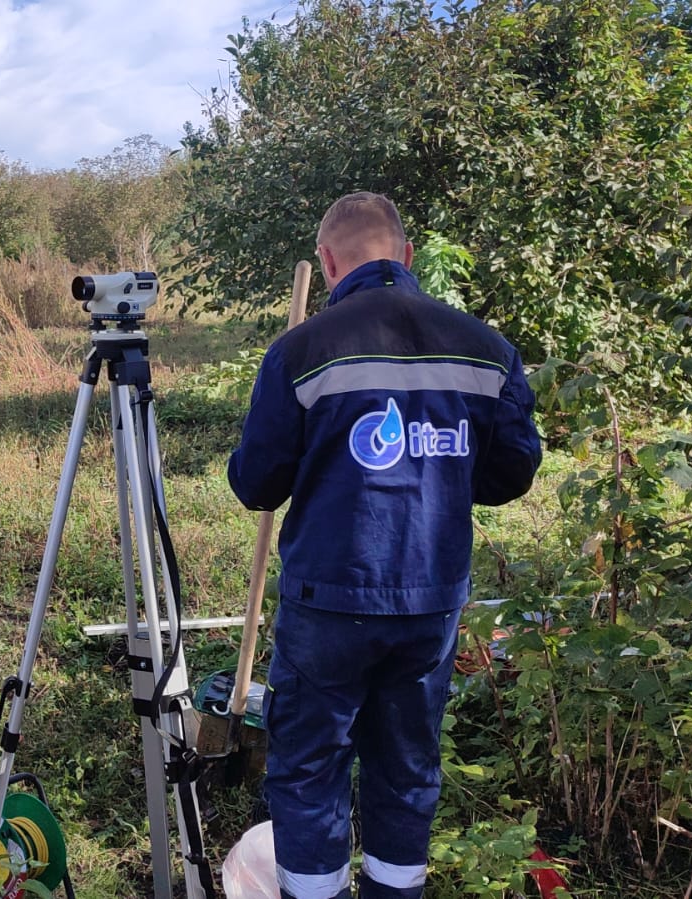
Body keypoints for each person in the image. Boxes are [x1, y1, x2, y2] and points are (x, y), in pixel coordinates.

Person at [227, 192, 542, 899]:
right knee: (406, 764)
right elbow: (510, 473)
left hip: (326, 603)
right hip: (429, 603)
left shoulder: (301, 351)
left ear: (328, 262)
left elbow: (255, 483)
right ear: (404, 254)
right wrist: (440, 467)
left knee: (309, 768)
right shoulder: (485, 349)